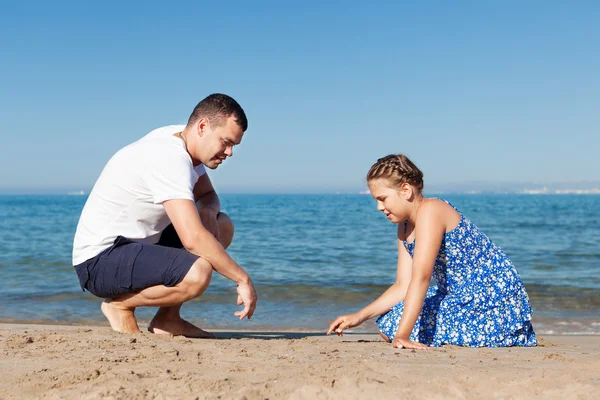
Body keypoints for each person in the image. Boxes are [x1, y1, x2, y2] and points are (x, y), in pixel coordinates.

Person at [72, 93, 257, 337]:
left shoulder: (184, 139)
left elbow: (209, 195)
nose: (230, 152)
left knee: (222, 225)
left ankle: (167, 319)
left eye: (234, 145)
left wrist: (208, 213)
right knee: (198, 272)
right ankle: (120, 305)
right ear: (202, 126)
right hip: (99, 260)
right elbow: (192, 239)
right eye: (226, 142)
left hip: (139, 246)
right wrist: (242, 279)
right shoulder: (169, 157)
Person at [327, 154, 537, 349]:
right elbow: (403, 285)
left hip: (489, 293)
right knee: (387, 322)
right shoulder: (404, 227)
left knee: (394, 328)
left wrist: (403, 335)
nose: (379, 208)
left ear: (406, 191)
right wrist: (359, 316)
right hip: (454, 293)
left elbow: (422, 278)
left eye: (382, 199)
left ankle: (505, 329)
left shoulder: (431, 210)